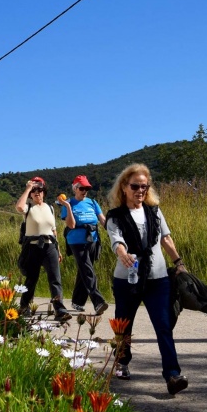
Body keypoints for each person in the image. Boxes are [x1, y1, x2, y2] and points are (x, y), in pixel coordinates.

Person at [105, 163, 189, 395]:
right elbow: (116, 240)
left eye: (145, 186)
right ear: (124, 187)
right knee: (124, 325)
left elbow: (166, 239)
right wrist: (123, 254)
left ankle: (172, 375)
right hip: (127, 279)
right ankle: (122, 362)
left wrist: (179, 263)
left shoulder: (154, 211)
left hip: (158, 278)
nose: (140, 190)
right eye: (135, 186)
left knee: (163, 326)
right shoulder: (115, 216)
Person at [15, 177, 72, 322]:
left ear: (44, 191)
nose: (36, 192)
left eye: (39, 190)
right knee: (31, 279)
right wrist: (27, 189)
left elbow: (54, 230)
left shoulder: (50, 208)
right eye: (33, 190)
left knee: (55, 279)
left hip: (49, 246)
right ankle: (23, 306)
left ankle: (59, 309)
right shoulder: (28, 207)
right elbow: (19, 208)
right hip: (33, 247)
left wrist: (58, 249)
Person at [57, 175, 108, 315]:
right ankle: (98, 301)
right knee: (87, 270)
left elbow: (102, 220)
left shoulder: (92, 202)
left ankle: (77, 302)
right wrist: (67, 206)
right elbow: (71, 225)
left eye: (87, 188)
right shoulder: (68, 203)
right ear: (75, 188)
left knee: (84, 271)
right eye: (81, 188)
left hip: (92, 239)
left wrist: (113, 232)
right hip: (76, 241)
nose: (84, 191)